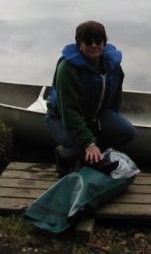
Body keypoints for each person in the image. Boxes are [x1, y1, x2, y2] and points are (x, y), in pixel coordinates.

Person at [45, 21, 136, 177]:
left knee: (127, 132)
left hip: (94, 114)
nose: (94, 45)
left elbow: (115, 97)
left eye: (98, 41)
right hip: (60, 117)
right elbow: (69, 111)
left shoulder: (112, 65)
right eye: (88, 41)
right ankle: (64, 155)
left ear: (104, 43)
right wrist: (88, 142)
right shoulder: (67, 69)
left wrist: (104, 127)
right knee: (78, 147)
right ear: (79, 44)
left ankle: (92, 155)